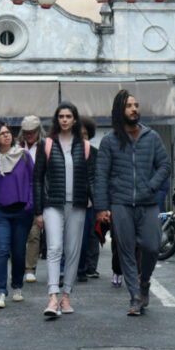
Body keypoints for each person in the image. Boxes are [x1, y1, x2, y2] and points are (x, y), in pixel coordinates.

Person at [94, 89, 170, 316]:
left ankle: (144, 281)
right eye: (129, 105)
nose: (134, 109)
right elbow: (101, 176)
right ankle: (135, 296)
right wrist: (101, 208)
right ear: (120, 110)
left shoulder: (152, 137)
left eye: (136, 105)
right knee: (126, 251)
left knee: (152, 246)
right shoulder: (109, 141)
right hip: (121, 203)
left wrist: (151, 186)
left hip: (148, 203)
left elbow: (165, 166)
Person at [33, 102, 93, 317]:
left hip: (77, 204)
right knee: (55, 248)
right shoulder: (47, 144)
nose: (65, 120)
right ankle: (52, 297)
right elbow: (37, 179)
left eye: (69, 116)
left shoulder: (84, 147)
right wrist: (38, 211)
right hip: (52, 204)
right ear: (57, 120)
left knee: (73, 250)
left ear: (75, 120)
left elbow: (90, 179)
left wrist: (101, 207)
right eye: (61, 116)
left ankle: (66, 296)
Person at [0, 120, 34, 308]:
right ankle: (0, 292)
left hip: (22, 212)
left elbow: (32, 182)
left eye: (8, 132)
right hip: (0, 214)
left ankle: (17, 286)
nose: (7, 135)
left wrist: (30, 204)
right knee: (2, 250)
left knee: (19, 252)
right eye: (2, 133)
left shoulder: (24, 156)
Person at [18, 116, 44, 283]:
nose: (29, 136)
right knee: (18, 235)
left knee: (34, 234)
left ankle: (30, 268)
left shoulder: (45, 147)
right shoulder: (16, 147)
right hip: (19, 194)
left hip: (37, 192)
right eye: (26, 133)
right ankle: (18, 267)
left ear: (38, 132)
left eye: (32, 132)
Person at [78, 115, 101, 280]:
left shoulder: (95, 153)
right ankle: (79, 266)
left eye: (85, 134)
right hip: (74, 200)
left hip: (91, 199)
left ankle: (91, 267)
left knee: (93, 234)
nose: (82, 136)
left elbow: (97, 177)